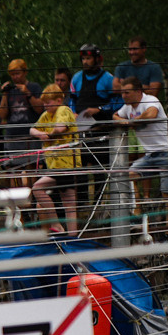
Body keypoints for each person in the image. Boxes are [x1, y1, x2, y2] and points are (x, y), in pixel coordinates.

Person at [114, 77, 168, 216]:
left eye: (127, 92)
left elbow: (151, 114)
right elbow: (115, 115)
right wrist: (125, 122)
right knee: (129, 175)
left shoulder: (150, 100)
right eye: (122, 92)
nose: (123, 96)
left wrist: (132, 121)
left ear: (138, 91)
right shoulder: (127, 107)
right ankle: (137, 213)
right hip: (151, 155)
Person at [68, 43, 122, 210]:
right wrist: (72, 113)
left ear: (98, 59)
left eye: (88, 58)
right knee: (80, 166)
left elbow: (117, 103)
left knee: (100, 169)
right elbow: (71, 101)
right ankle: (82, 204)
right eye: (83, 58)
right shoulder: (76, 78)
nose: (85, 61)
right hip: (81, 130)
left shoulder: (108, 79)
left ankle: (99, 204)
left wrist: (98, 110)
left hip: (101, 130)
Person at [32, 84, 81, 229]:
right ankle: (73, 237)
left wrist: (49, 135)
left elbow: (61, 127)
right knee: (69, 203)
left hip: (65, 165)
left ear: (59, 100)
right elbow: (32, 129)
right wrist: (39, 134)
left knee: (37, 188)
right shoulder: (47, 115)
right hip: (56, 165)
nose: (45, 105)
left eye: (49, 102)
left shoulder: (63, 110)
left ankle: (55, 223)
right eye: (44, 103)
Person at [0, 59, 40, 162]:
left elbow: (40, 109)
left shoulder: (34, 87)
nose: (15, 77)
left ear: (25, 72)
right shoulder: (9, 90)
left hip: (30, 135)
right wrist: (4, 94)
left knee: (33, 166)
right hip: (13, 136)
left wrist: (28, 93)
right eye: (12, 74)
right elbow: (2, 115)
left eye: (18, 73)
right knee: (13, 167)